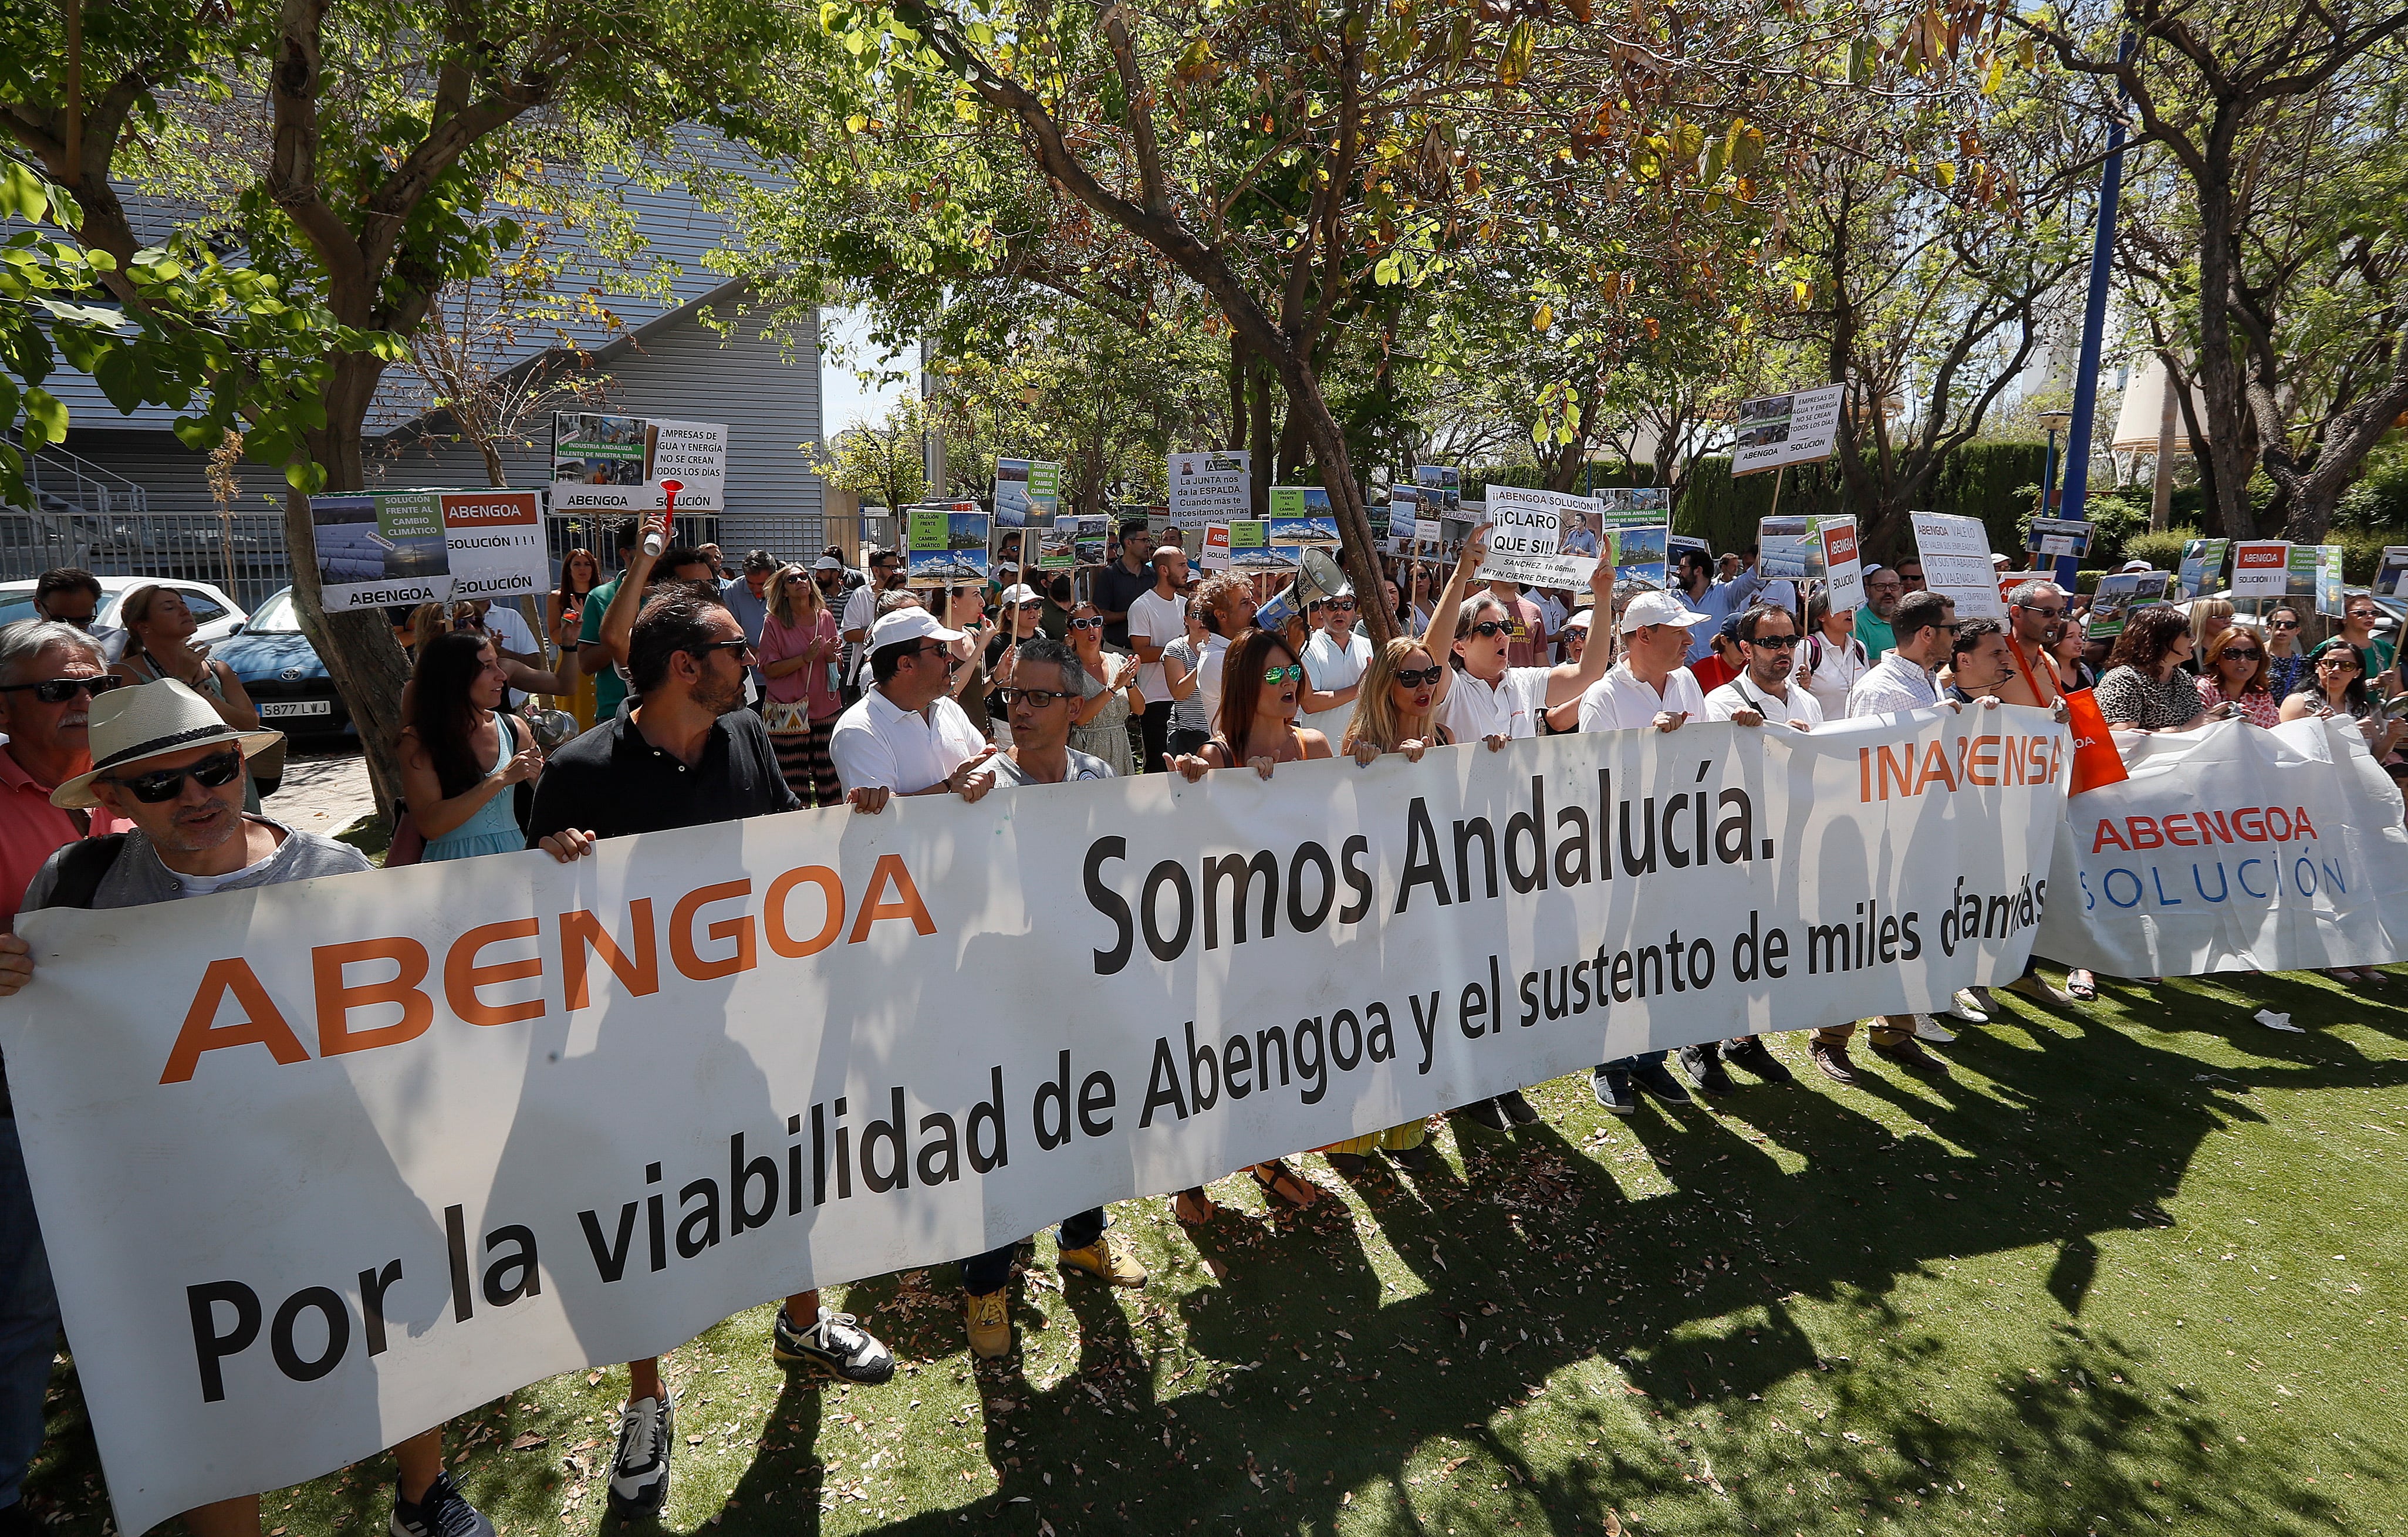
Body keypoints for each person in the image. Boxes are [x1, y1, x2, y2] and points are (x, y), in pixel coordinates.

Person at [0, 678, 495, 1537]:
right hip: (182, 1201)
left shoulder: (330, 870)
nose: (197, 796)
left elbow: (401, 1021)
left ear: (242, 765)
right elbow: (54, 1053)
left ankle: (425, 1493)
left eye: (214, 768)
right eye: (161, 783)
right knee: (212, 1393)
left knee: (397, 1339)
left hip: (340, 1167)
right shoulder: (75, 889)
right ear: (113, 797)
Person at [526, 585, 896, 1519]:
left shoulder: (746, 738)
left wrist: (852, 816)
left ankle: (802, 1324)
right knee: (645, 1212)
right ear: (685, 666)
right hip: (628, 1042)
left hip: (745, 1018)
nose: (753, 659)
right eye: (736, 648)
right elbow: (528, 921)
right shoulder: (578, 768)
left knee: (784, 1167)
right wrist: (555, 860)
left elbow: (780, 845)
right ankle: (647, 1399)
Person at [945, 636, 1147, 1353]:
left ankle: (1082, 1238)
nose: (1018, 710)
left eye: (1037, 697)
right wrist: (948, 808)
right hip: (1004, 1001)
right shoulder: (978, 785)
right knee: (1004, 1137)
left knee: (1090, 1114)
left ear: (1072, 706)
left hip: (1084, 990)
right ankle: (987, 1284)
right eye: (1011, 696)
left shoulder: (1094, 773)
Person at [0, 621, 131, 1537]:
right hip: (24, 1098)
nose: (81, 700)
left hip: (141, 1089)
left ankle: (146, 1437)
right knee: (26, 1297)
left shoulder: (135, 788)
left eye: (95, 681)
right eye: (57, 688)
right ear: (6, 706)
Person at [1168, 626, 1333, 1212]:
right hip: (1228, 942)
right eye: (1273, 674)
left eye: (1292, 670)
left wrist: (1373, 763)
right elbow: (1190, 854)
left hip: (1295, 932)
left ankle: (1265, 1158)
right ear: (1245, 684)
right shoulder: (1216, 757)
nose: (1288, 682)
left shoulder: (1314, 745)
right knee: (1216, 1059)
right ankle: (1188, 1180)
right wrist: (1192, 790)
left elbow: (1342, 824)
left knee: (1273, 1054)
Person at [1574, 589, 1713, 1113]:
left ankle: (1651, 1058)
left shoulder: (1687, 683)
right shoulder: (1603, 697)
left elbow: (1705, 757)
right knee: (1618, 958)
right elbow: (1591, 780)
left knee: (1664, 952)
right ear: (1643, 636)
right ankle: (1610, 1064)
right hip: (1620, 849)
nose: (1689, 639)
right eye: (1678, 631)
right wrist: (1645, 746)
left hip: (1676, 846)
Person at [1684, 602, 1814, 1093]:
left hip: (1790, 843)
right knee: (1726, 945)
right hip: (1736, 847)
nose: (1783, 651)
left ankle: (1746, 1036)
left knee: (1769, 946)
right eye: (1771, 642)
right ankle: (1701, 1042)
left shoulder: (1807, 703)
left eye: (1789, 641)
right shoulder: (1721, 703)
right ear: (1745, 649)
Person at [1442, 534, 1615, 750]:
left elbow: (1589, 673)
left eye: (1506, 628)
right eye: (1487, 630)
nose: (1502, 636)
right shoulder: (1450, 689)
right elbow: (1433, 653)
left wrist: (1602, 597)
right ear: (1459, 646)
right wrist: (1460, 576)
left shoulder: (1524, 682)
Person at [830, 606, 995, 813]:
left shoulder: (948, 708)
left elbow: (986, 767)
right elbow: (882, 813)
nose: (950, 659)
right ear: (906, 664)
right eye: (941, 650)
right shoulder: (857, 730)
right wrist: (948, 787)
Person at [397, 631, 544, 862]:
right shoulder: (417, 741)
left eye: (497, 664)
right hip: (452, 869)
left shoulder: (514, 727)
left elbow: (551, 795)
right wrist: (501, 779)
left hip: (516, 859)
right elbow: (431, 826)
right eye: (487, 667)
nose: (502, 676)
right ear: (455, 676)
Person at [756, 563, 845, 806]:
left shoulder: (825, 617)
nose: (801, 583)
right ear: (783, 590)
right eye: (793, 580)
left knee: (831, 778)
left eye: (804, 577)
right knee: (792, 781)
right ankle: (796, 831)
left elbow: (836, 668)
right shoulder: (773, 623)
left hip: (824, 709)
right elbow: (769, 670)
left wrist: (829, 656)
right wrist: (804, 659)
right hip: (789, 711)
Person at [2093, 606, 2211, 734]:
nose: (2193, 638)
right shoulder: (2123, 679)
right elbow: (2122, 736)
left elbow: (2198, 723)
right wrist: (2184, 728)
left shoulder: (2183, 677)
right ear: (2161, 638)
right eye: (2187, 632)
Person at [1125, 542, 1190, 771]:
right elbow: (1141, 651)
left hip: (1187, 697)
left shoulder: (1186, 605)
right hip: (1156, 699)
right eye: (1181, 565)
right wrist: (1179, 651)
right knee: (1160, 765)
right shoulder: (1141, 607)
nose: (1188, 569)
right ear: (1164, 570)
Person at [1847, 590, 1955, 718]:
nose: (1958, 636)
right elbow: (1864, 738)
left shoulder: (1929, 678)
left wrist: (1975, 714)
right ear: (1927, 633)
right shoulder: (1878, 693)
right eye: (1953, 630)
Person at [1064, 601, 1143, 775]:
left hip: (1120, 747)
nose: (1091, 628)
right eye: (1082, 624)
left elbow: (1139, 709)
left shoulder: (1118, 661)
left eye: (1096, 622)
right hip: (1086, 752)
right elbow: (1079, 718)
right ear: (1071, 631)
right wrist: (1114, 687)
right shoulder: (1067, 668)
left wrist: (1129, 681)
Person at [1299, 589, 1372, 739]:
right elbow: (1309, 704)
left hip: (1359, 753)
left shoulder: (1369, 646)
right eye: (1332, 606)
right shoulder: (1307, 647)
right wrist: (1356, 689)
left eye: (1346, 606)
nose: (1340, 612)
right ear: (1321, 610)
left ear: (1353, 611)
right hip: (1320, 754)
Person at [1672, 548, 1764, 661]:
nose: (1678, 572)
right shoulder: (1672, 598)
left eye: (1682, 568)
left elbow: (1752, 577)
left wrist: (1767, 542)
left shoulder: (1726, 594)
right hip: (1685, 674)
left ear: (1698, 571)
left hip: (1718, 673)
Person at [1190, 572, 1256, 730]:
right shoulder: (1216, 660)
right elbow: (1263, 701)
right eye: (1245, 603)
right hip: (1233, 752)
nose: (1255, 607)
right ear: (1222, 615)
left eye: (1252, 600)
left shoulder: (1245, 648)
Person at [551, 548, 605, 729]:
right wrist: (571, 624)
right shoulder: (556, 598)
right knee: (575, 713)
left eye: (588, 564)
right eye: (577, 564)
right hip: (571, 659)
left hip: (598, 658)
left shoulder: (603, 596)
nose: (583, 569)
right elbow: (555, 637)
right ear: (568, 569)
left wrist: (587, 618)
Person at [841, 549, 908, 693]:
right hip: (868, 676)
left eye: (898, 567)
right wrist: (886, 631)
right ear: (876, 571)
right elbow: (849, 634)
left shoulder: (906, 595)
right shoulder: (861, 595)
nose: (897, 572)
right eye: (892, 568)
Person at [1798, 591, 1870, 721]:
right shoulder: (1805, 649)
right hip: (1822, 737)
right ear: (1821, 616)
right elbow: (1790, 696)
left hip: (1859, 735)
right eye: (1842, 606)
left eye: (1852, 607)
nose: (1850, 611)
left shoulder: (1860, 648)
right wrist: (1802, 688)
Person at [1159, 597, 1213, 760]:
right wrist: (1205, 661)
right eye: (1196, 615)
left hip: (1217, 732)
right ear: (1186, 620)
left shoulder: (1223, 647)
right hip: (1186, 733)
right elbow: (1179, 693)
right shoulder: (1176, 648)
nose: (1201, 620)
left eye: (1206, 615)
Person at [2195, 626, 2279, 727]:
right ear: (2217, 658)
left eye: (2252, 654)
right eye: (2233, 653)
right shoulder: (2201, 688)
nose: (2243, 661)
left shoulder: (2263, 697)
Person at [721, 550, 779, 697]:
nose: (756, 589)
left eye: (761, 584)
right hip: (749, 676)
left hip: (784, 674)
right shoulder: (733, 591)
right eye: (750, 583)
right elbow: (729, 634)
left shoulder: (785, 589)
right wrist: (755, 652)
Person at [1092, 522, 1156, 648]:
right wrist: (1131, 613)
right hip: (1119, 651)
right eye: (1144, 540)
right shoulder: (1110, 575)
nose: (1148, 545)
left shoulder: (1153, 574)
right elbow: (1100, 615)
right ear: (1129, 542)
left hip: (1150, 654)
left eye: (1148, 540)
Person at [1854, 565, 1904, 660]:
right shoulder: (1856, 624)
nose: (1888, 591)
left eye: (1894, 586)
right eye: (1880, 586)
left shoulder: (1911, 621)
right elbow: (1863, 665)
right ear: (1868, 591)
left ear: (1901, 590)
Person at [2263, 605, 2312, 700]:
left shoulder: (2302, 663)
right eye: (2277, 624)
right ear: (2268, 629)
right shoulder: (2253, 656)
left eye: (2289, 625)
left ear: (2297, 630)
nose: (2282, 628)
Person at [2185, 597, 2235, 674]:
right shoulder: (2187, 652)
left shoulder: (2234, 648)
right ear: (2202, 619)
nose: (2228, 621)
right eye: (2221, 617)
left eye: (2230, 616)